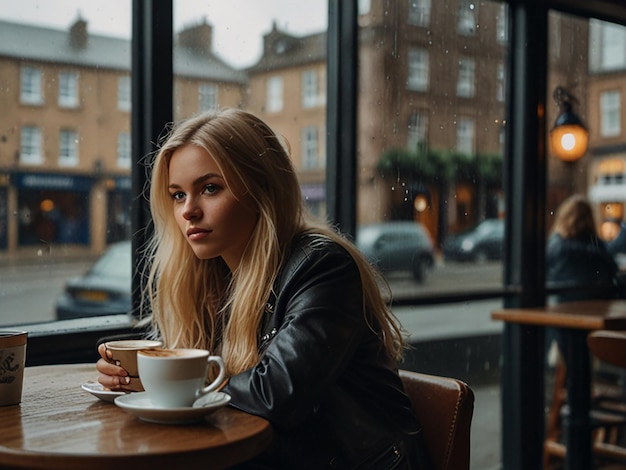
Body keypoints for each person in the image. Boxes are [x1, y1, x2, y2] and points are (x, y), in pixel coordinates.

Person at [96, 108, 431, 469]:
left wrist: (169, 387)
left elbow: (278, 393)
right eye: (178, 195)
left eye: (210, 188)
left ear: (261, 188)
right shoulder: (206, 276)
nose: (189, 211)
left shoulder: (321, 266)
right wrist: (133, 376)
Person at [546, 194, 622, 303]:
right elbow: (613, 270)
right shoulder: (596, 246)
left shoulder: (555, 245)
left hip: (561, 306)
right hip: (598, 307)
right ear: (590, 218)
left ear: (563, 217)